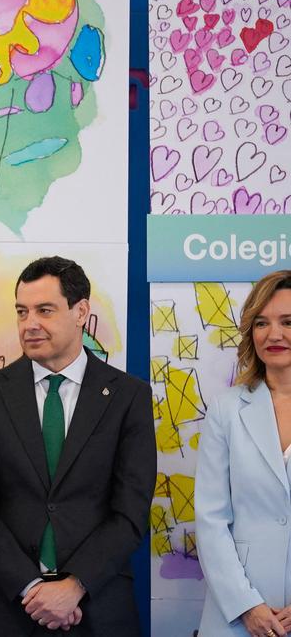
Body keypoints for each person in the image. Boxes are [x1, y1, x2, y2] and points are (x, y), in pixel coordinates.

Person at [0, 256, 155, 635]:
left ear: (81, 311)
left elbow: (131, 512)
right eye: (21, 312)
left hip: (97, 606)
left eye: (44, 310)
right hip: (6, 606)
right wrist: (32, 589)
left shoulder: (128, 397)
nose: (30, 324)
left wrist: (74, 585)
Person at [195, 270, 291, 637]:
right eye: (262, 323)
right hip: (237, 616)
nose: (274, 334)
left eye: (288, 322)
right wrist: (246, 604)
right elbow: (211, 519)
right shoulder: (226, 410)